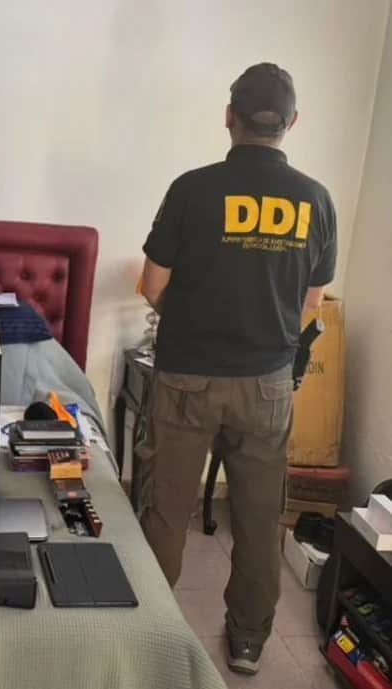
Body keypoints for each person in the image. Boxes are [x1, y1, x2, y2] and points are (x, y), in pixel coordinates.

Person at [137, 63, 336, 675]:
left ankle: (151, 634)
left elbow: (152, 286)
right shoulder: (316, 200)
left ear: (230, 116)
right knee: (256, 516)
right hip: (267, 386)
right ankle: (248, 641)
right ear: (293, 122)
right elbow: (312, 303)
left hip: (186, 378)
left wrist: (192, 320)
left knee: (165, 509)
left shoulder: (192, 189)